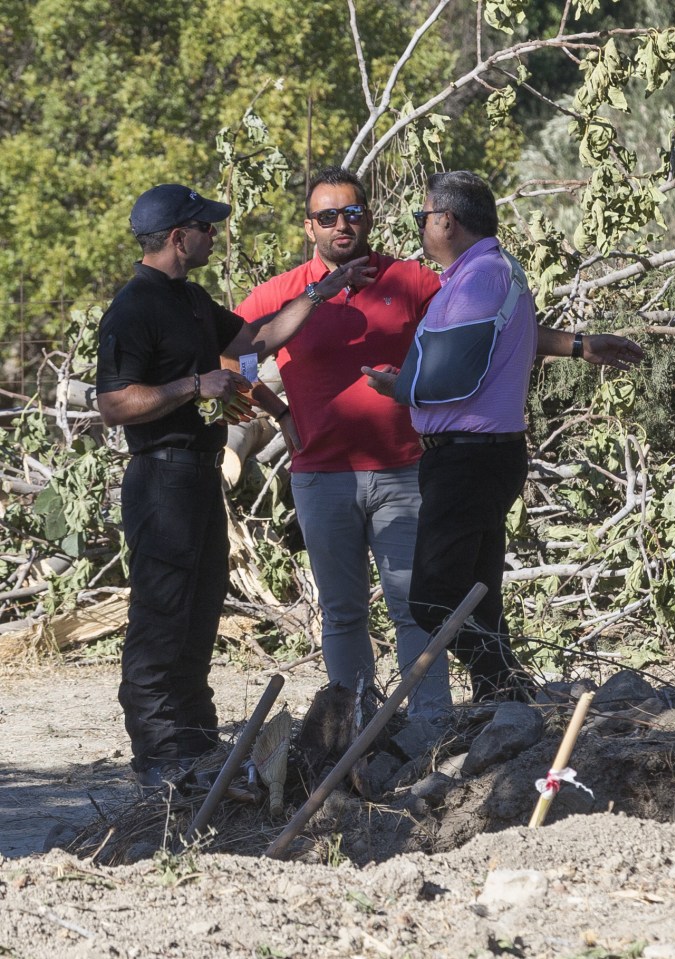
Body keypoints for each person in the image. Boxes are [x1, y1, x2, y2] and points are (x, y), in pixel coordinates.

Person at [236, 166, 643, 717]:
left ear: (369, 218)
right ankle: (357, 728)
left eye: (352, 213)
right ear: (309, 227)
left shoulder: (409, 280)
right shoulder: (285, 292)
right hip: (321, 473)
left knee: (418, 606)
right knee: (342, 613)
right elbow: (231, 353)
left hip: (403, 470)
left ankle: (428, 728)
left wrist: (576, 345)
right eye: (327, 216)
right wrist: (278, 411)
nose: (341, 225)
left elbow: (487, 329)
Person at [95, 183, 375, 790]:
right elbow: (115, 403)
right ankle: (157, 752)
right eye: (205, 227)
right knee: (162, 611)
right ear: (177, 237)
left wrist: (320, 293)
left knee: (200, 606)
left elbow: (258, 342)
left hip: (197, 475)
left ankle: (194, 741)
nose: (214, 235)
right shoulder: (134, 308)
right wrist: (193, 387)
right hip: (159, 476)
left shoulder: (191, 299)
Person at [363, 170, 642, 702]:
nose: (420, 226)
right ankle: (502, 708)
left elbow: (452, 376)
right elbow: (506, 337)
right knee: (477, 597)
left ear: (446, 220)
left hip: (469, 460)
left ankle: (507, 687)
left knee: (432, 598)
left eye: (423, 217)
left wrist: (400, 389)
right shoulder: (487, 272)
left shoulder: (479, 278)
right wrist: (580, 345)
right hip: (482, 456)